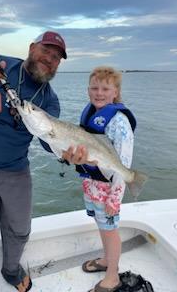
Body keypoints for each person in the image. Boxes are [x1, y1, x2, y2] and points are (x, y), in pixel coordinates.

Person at [0, 31, 80, 292]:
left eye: (56, 57)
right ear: (31, 47)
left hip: (16, 171)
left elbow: (49, 142)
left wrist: (67, 153)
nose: (50, 59)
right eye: (46, 51)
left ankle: (11, 271)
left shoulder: (49, 99)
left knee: (21, 230)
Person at [63, 66, 136, 292]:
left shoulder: (120, 121)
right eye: (94, 87)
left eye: (105, 88)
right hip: (92, 185)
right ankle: (106, 261)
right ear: (88, 91)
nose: (99, 92)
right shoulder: (91, 114)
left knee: (110, 231)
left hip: (109, 190)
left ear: (116, 92)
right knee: (102, 227)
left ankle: (112, 276)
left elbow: (124, 164)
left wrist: (115, 199)